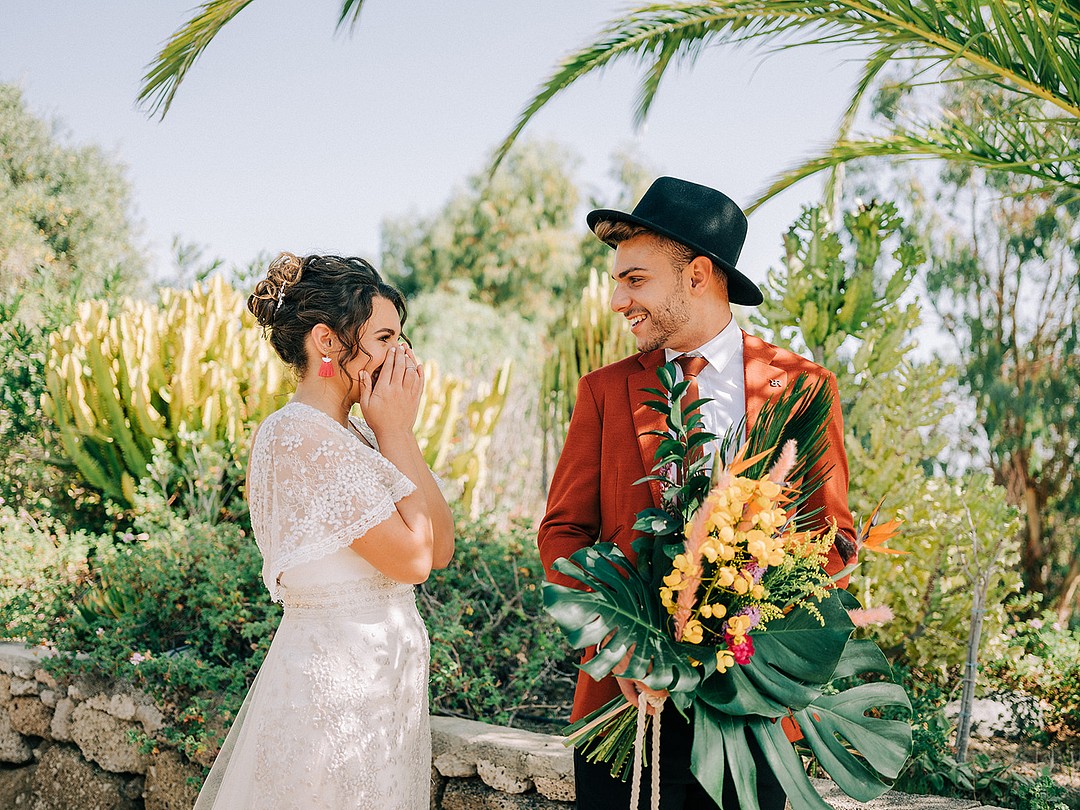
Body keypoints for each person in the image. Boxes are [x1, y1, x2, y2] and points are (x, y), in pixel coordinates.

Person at [538, 177, 857, 810]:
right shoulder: (601, 392)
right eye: (617, 282)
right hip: (621, 715)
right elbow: (564, 533)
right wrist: (618, 645)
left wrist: (749, 627)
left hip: (752, 718)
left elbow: (835, 542)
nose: (617, 301)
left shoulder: (802, 388)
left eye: (634, 280)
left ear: (698, 275)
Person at [194, 252, 454, 809]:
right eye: (385, 337)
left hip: (379, 698)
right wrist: (396, 432)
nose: (400, 356)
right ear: (328, 343)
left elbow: (442, 547)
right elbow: (413, 559)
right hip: (333, 698)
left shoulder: (362, 435)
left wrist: (395, 434)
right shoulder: (298, 437)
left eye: (401, 339)